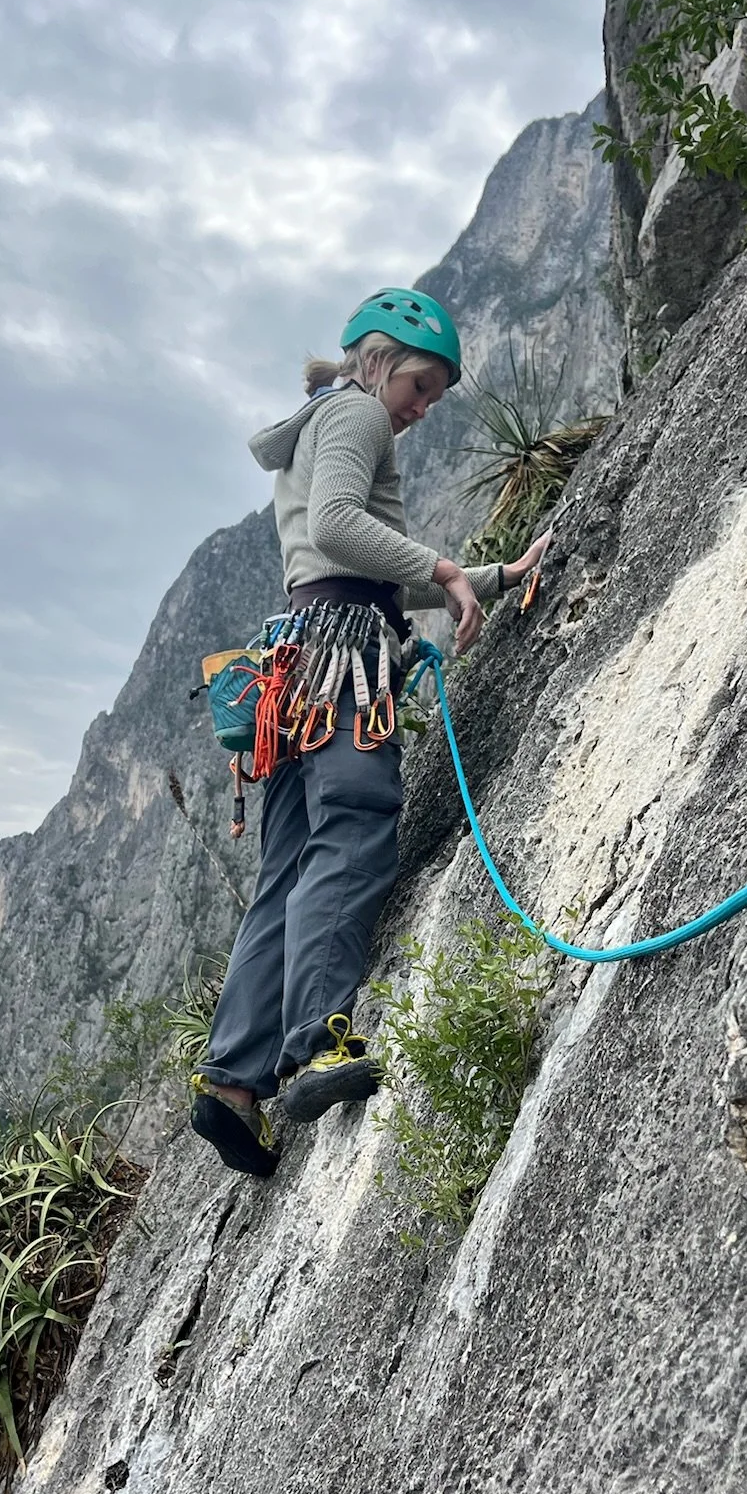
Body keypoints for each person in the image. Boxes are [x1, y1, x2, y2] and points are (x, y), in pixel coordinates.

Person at [189, 286, 548, 1178]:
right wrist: (448, 571)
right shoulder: (357, 416)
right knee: (352, 835)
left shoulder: (323, 419)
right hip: (345, 664)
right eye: (421, 386)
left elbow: (358, 566)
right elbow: (344, 532)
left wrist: (486, 577)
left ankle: (233, 1078)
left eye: (433, 397)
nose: (423, 410)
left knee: (290, 865)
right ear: (379, 358)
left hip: (301, 665)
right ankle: (316, 1044)